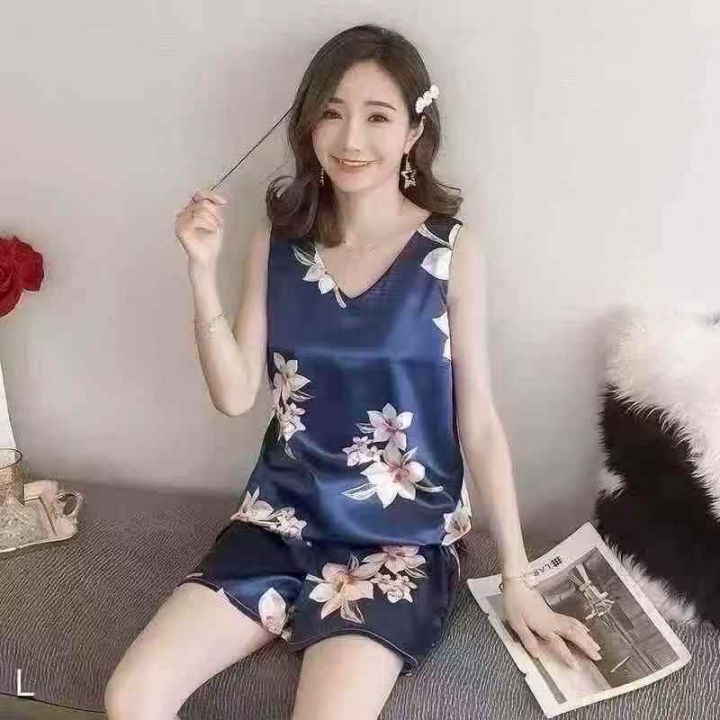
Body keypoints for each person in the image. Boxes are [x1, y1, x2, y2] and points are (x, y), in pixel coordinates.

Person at [104, 23, 602, 720]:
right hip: (277, 522)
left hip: (399, 543)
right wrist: (200, 269)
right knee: (132, 696)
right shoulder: (278, 242)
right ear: (308, 124)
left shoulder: (449, 251)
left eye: (377, 116)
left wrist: (517, 576)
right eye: (332, 113)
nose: (350, 139)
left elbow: (479, 422)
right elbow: (235, 394)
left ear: (414, 131)